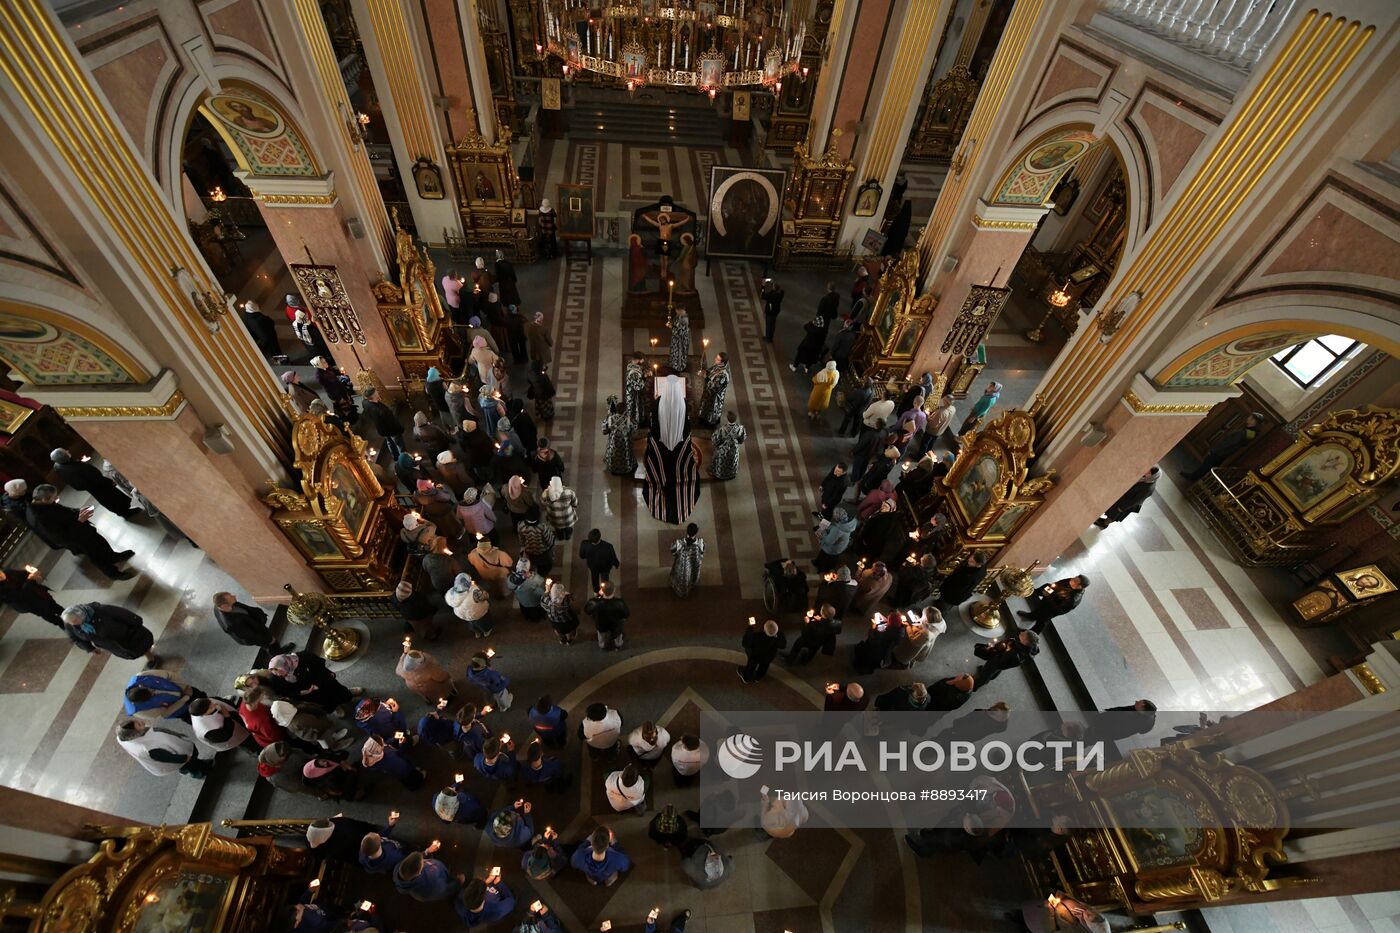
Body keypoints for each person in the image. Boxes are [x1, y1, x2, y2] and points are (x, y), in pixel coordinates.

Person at [27, 484, 135, 578]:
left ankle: (113, 557)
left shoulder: (44, 504)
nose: (57, 498)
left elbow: (63, 512)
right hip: (78, 538)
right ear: (44, 499)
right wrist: (78, 522)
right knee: (96, 555)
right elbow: (59, 535)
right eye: (54, 498)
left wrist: (78, 512)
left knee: (101, 543)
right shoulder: (40, 517)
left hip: (83, 530)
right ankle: (112, 573)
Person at [50, 449, 140, 518]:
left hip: (92, 486)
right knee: (113, 498)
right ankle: (125, 513)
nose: (68, 451)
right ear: (64, 457)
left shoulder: (58, 466)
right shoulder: (74, 468)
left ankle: (124, 511)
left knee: (110, 498)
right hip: (98, 485)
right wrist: (108, 481)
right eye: (65, 452)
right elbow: (94, 478)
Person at [62, 602, 159, 665]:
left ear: (80, 614)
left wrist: (137, 624)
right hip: (113, 645)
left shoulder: (101, 610)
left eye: (74, 621)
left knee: (142, 647)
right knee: (133, 652)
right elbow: (76, 638)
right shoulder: (71, 624)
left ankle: (150, 657)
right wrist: (90, 648)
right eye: (70, 622)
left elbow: (124, 614)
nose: (73, 624)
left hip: (130, 635)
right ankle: (148, 653)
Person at [1182, 411, 1265, 481]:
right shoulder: (1251, 434)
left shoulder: (1244, 433)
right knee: (1208, 467)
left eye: (1251, 418)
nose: (1248, 419)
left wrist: (1214, 450)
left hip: (1220, 452)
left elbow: (1228, 443)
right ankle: (1196, 479)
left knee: (1205, 466)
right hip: (1224, 454)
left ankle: (1193, 477)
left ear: (1254, 423)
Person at [116, 718, 211, 778]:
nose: (141, 721)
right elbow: (169, 758)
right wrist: (185, 758)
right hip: (178, 757)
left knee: (191, 759)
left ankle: (193, 766)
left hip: (173, 746)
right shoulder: (148, 748)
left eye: (136, 720)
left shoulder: (123, 737)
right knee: (191, 763)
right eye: (138, 725)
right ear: (134, 734)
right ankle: (198, 772)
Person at [212, 592, 285, 652]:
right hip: (253, 633)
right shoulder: (233, 624)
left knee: (270, 641)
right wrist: (268, 640)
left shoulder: (218, 606)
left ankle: (278, 650)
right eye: (231, 597)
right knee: (270, 644)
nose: (234, 596)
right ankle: (278, 654)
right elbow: (252, 637)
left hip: (252, 624)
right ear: (224, 606)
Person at [124, 669, 204, 722]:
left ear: (141, 686)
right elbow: (165, 713)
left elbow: (169, 675)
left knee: (202, 697)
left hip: (185, 689)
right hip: (180, 709)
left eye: (150, 690)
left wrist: (184, 687)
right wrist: (184, 699)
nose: (153, 692)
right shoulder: (140, 711)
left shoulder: (142, 676)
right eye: (151, 695)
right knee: (197, 719)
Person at [1018, 575, 1090, 632]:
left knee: (1041, 621)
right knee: (1039, 607)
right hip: (1051, 597)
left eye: (1075, 580)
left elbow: (1058, 610)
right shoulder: (1072, 580)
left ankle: (1033, 632)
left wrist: (1048, 596)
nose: (1072, 579)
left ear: (1079, 586)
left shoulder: (1073, 599)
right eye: (1075, 577)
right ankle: (1032, 615)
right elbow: (1058, 584)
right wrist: (1049, 589)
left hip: (1052, 609)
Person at [0, 565, 64, 628]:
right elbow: (20, 596)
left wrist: (32, 572)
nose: (1, 575)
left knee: (55, 606)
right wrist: (30, 580)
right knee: (47, 614)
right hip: (29, 604)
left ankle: (69, 616)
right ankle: (63, 624)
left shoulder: (8, 571)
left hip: (39, 594)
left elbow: (24, 574)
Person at [1096, 467, 1162, 526]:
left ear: (1153, 476)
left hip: (1128, 503)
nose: (1146, 472)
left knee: (1115, 514)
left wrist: (1122, 508)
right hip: (1126, 498)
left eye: (1149, 473)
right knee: (1112, 510)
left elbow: (1135, 501)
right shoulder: (1147, 479)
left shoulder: (1148, 488)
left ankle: (1105, 523)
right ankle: (1104, 521)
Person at [393, 848, 463, 903]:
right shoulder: (429, 890)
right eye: (423, 861)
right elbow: (446, 890)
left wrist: (427, 851)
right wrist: (458, 882)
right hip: (443, 877)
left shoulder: (400, 868)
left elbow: (415, 860)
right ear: (419, 873)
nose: (425, 860)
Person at [973, 629, 1040, 685]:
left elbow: (1002, 663)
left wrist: (994, 653)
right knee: (993, 670)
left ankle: (977, 684)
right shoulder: (1022, 644)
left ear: (1025, 642)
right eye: (1023, 632)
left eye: (1023, 635)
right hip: (1001, 658)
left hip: (998, 661)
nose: (1021, 632)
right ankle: (990, 675)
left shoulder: (1017, 655)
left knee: (988, 671)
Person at [358, 387, 404, 461]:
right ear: (373, 396)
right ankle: (404, 459)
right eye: (376, 392)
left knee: (390, 443)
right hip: (392, 430)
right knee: (399, 445)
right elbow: (391, 423)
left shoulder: (365, 402)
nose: (378, 393)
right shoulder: (382, 410)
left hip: (381, 429)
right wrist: (400, 429)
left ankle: (396, 458)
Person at [738, 618, 786, 684]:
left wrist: (750, 627)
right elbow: (783, 646)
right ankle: (758, 677)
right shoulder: (779, 637)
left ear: (764, 630)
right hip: (768, 657)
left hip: (755, 656)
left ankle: (747, 677)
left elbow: (745, 643)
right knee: (764, 667)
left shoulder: (757, 637)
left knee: (751, 665)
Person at [1093, 698, 1158, 745]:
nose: (1136, 701)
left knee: (1092, 736)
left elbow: (1109, 716)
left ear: (1142, 708)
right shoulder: (1150, 717)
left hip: (1104, 730)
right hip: (1114, 735)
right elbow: (1143, 731)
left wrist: (1097, 718)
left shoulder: (1127, 714)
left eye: (1139, 703)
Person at [586, 581, 630, 650]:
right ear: (614, 590)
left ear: (602, 591)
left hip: (601, 625)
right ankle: (618, 645)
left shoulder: (594, 603)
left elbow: (587, 610)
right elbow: (626, 614)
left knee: (601, 636)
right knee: (617, 635)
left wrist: (597, 596)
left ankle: (602, 646)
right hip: (615, 625)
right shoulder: (619, 603)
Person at [447, 573, 494, 638]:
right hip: (478, 613)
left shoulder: (451, 593)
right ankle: (486, 631)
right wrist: (479, 588)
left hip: (464, 615)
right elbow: (486, 595)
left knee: (472, 624)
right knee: (483, 623)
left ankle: (477, 633)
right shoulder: (475, 593)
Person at [602, 396, 637, 475]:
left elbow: (604, 432)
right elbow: (634, 431)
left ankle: (613, 467)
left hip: (613, 446)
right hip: (625, 446)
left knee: (612, 451)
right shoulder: (628, 419)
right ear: (625, 411)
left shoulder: (611, 418)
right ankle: (626, 467)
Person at [708, 411, 747, 480]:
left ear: (727, 418)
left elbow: (715, 439)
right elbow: (742, 438)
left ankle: (719, 474)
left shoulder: (722, 429)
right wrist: (737, 442)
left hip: (723, 449)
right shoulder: (740, 428)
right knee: (732, 461)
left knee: (721, 461)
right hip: (734, 448)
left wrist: (716, 445)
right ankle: (731, 474)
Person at [697, 352, 730, 427]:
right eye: (716, 357)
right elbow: (710, 370)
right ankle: (703, 418)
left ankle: (709, 424)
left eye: (718, 359)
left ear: (722, 362)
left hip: (715, 397)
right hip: (708, 393)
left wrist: (705, 377)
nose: (715, 359)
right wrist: (704, 372)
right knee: (705, 405)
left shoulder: (723, 374)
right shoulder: (718, 365)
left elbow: (713, 386)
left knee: (711, 410)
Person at [542, 476, 578, 541]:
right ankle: (568, 536)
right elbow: (575, 502)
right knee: (568, 528)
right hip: (567, 517)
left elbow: (543, 503)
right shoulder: (568, 492)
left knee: (558, 529)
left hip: (554, 518)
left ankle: (560, 537)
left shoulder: (546, 494)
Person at [668, 304, 691, 373]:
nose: (677, 313)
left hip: (681, 341)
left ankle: (678, 369)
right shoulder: (678, 317)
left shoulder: (684, 319)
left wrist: (671, 327)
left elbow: (681, 332)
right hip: (676, 341)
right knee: (674, 355)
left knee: (679, 356)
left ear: (681, 310)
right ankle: (674, 368)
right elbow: (675, 325)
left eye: (678, 311)